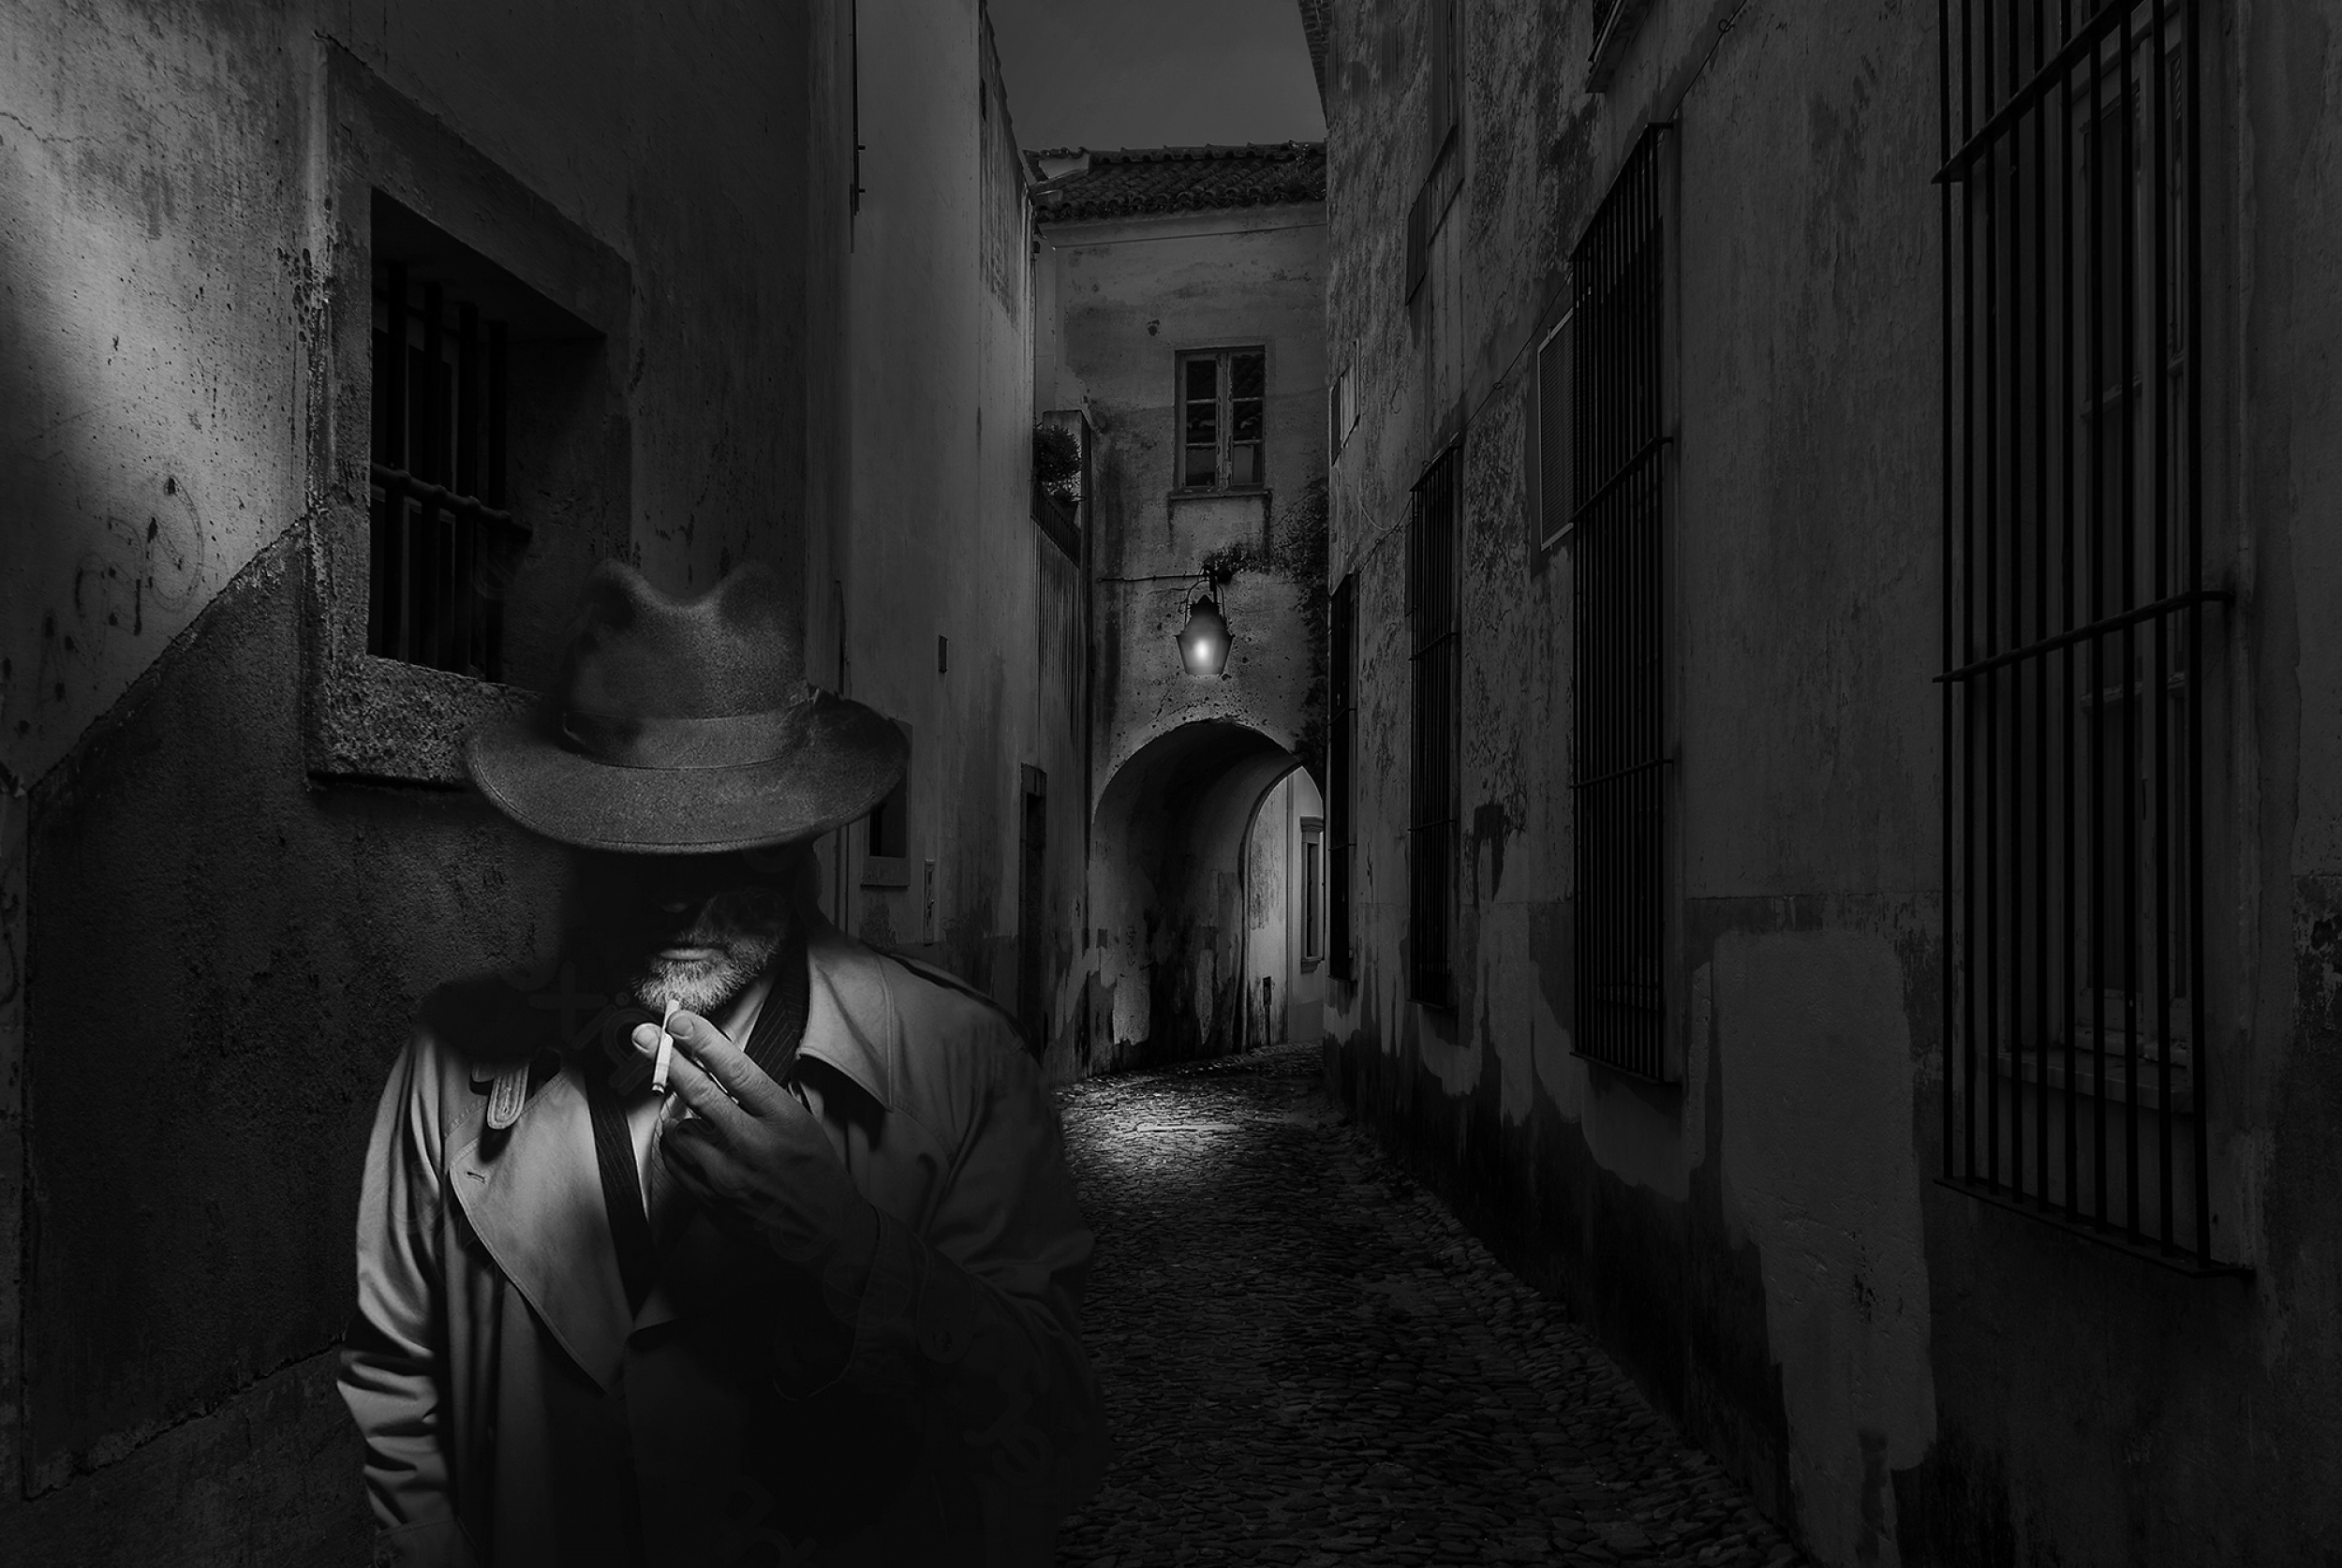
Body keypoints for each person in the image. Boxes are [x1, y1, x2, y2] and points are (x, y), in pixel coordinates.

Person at [338, 560, 1105, 1567]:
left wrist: (853, 1247)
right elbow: (398, 1386)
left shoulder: (963, 1065)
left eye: (722, 843)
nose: (675, 896)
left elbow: (1046, 1433)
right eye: (635, 844)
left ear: (797, 835)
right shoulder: (450, 1059)